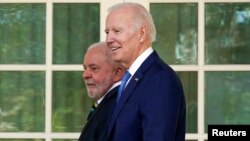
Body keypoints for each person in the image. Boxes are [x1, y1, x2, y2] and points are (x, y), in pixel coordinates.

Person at [104, 2, 186, 141]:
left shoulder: (159, 80)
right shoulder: (132, 78)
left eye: (117, 31)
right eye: (107, 32)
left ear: (141, 34)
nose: (108, 39)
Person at [78, 42, 125, 141]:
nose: (85, 75)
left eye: (94, 68)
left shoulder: (117, 107)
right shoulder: (110, 104)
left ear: (117, 73)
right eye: (85, 68)